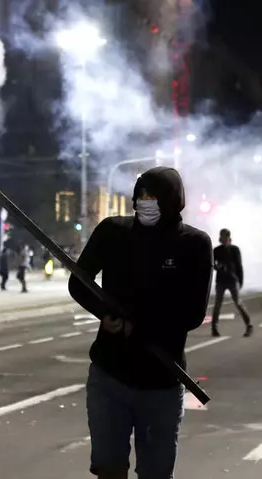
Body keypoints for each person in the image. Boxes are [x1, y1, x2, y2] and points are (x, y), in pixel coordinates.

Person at [68, 166, 213, 479]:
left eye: (153, 196)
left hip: (162, 380)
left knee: (156, 473)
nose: (144, 202)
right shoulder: (112, 232)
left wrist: (142, 324)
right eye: (140, 196)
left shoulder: (194, 244)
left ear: (173, 201)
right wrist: (104, 315)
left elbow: (191, 313)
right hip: (109, 376)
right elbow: (78, 283)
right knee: (108, 469)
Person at [211, 228, 253, 337]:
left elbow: (239, 266)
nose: (224, 240)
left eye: (225, 238)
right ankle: (214, 327)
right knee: (217, 304)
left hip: (232, 279)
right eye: (222, 238)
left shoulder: (235, 250)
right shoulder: (217, 250)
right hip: (221, 280)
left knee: (238, 303)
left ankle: (249, 325)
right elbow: (212, 264)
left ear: (229, 238)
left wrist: (240, 280)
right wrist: (218, 267)